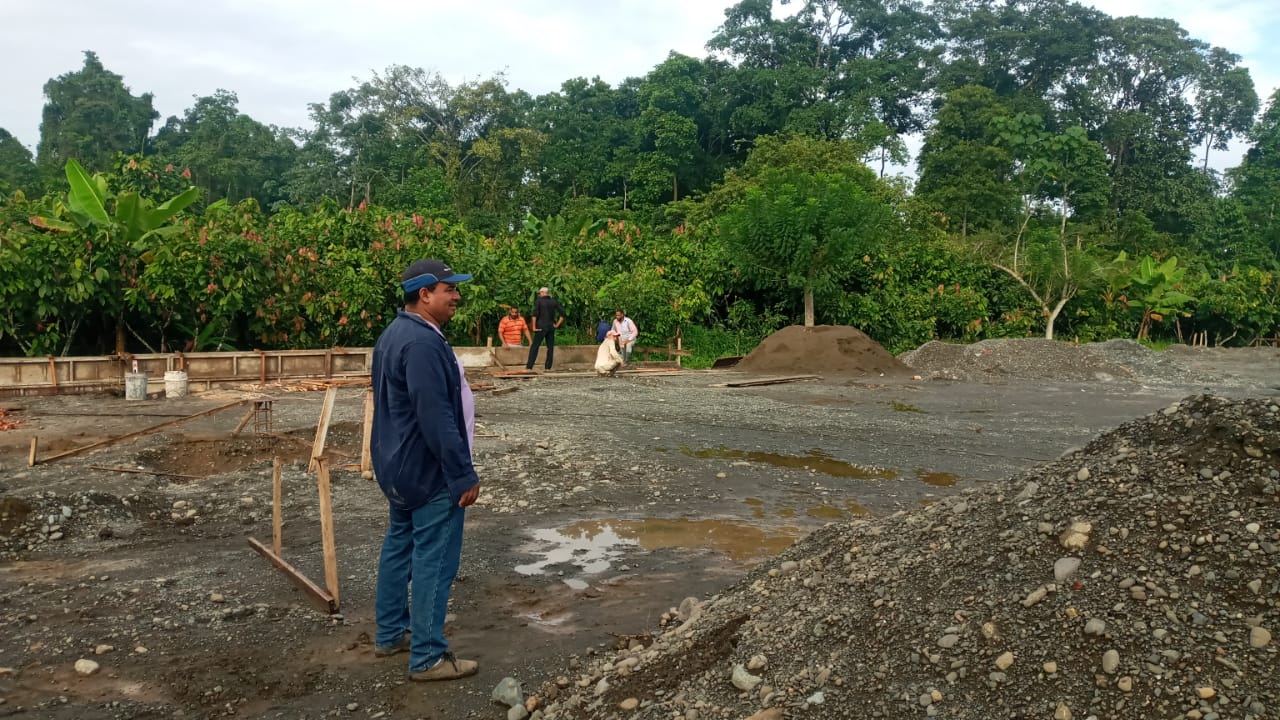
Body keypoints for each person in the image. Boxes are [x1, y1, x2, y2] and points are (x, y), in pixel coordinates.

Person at [370, 258, 481, 682]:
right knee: (435, 560)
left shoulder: (396, 333)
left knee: (399, 547)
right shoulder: (421, 343)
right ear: (424, 294)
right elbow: (435, 416)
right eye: (449, 289)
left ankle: (390, 634)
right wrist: (462, 473)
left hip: (398, 465)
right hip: (428, 470)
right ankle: (428, 657)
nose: (457, 296)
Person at [525, 287, 565, 371]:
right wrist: (557, 325)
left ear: (543, 292)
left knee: (535, 347)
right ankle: (548, 367)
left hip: (541, 326)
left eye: (540, 293)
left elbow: (535, 315)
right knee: (550, 348)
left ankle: (529, 366)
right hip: (550, 327)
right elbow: (562, 313)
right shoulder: (553, 301)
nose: (539, 294)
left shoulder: (539, 301)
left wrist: (534, 327)